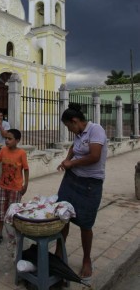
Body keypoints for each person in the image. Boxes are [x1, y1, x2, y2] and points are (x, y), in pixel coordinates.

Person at [56, 102, 108, 280]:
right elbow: (73, 147)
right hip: (71, 180)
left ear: (75, 120)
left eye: (68, 126)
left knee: (85, 224)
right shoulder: (79, 134)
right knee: (62, 216)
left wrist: (73, 163)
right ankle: (59, 253)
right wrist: (66, 160)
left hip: (90, 184)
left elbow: (95, 156)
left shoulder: (96, 130)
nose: (69, 130)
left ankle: (86, 259)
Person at [0, 129, 29, 247]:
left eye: (10, 138)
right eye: (6, 138)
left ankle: (14, 234)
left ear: (17, 140)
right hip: (3, 186)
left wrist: (26, 185)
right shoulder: (3, 150)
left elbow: (26, 169)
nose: (7, 140)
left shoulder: (21, 153)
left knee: (13, 213)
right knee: (1, 212)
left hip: (16, 188)